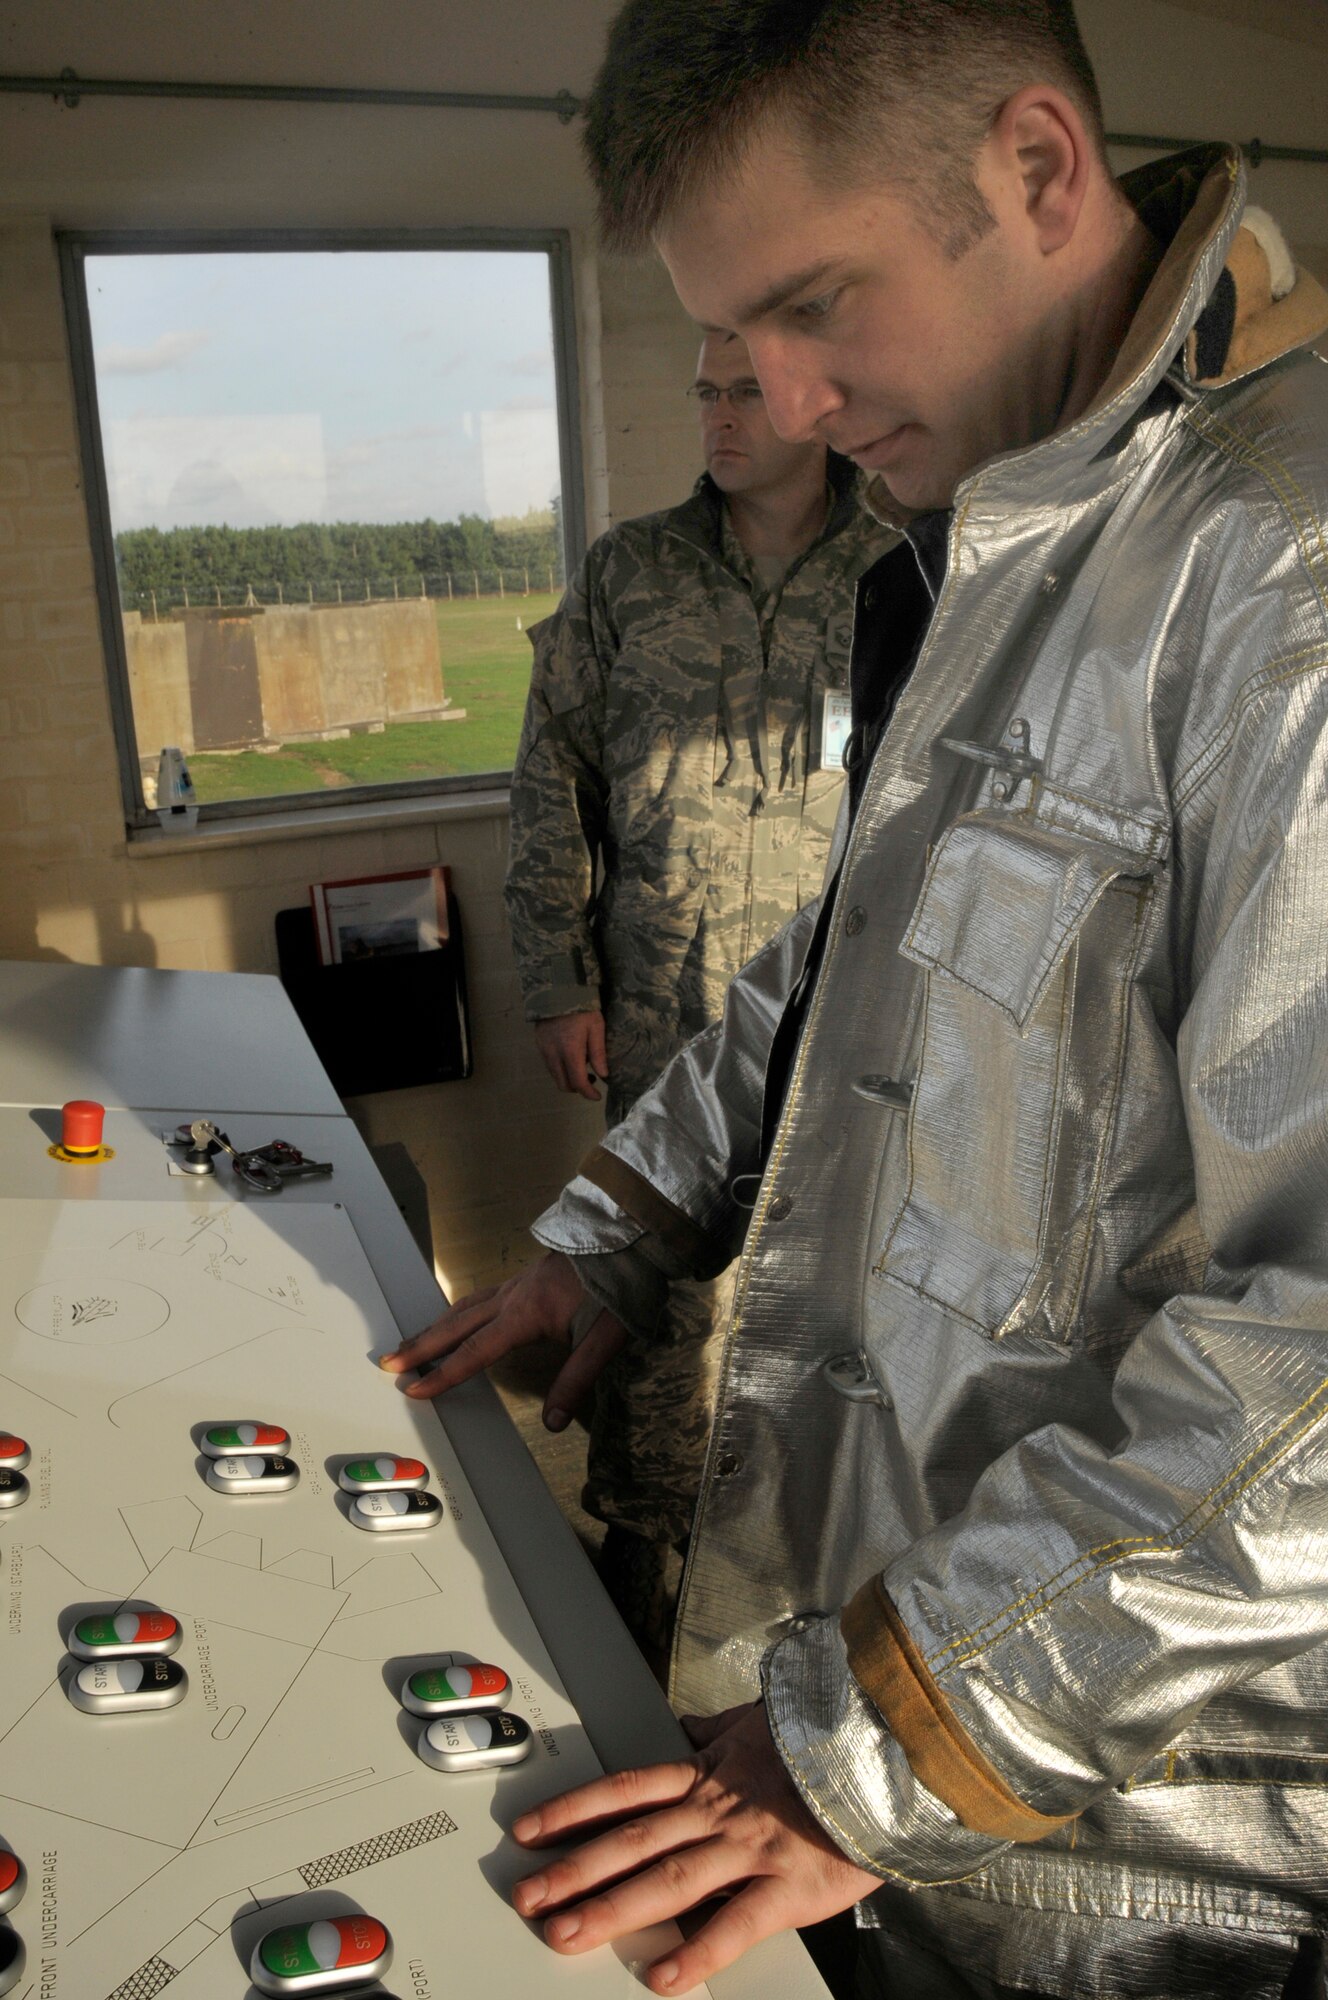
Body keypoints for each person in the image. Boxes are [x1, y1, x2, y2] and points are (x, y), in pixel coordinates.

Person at [384, 1, 1328, 1993]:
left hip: (1132, 1876)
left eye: (817, 307)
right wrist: (621, 1221)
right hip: (892, 1774)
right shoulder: (1000, 528)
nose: (794, 406)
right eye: (740, 339)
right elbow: (858, 960)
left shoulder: (1285, 581)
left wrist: (889, 1742)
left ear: (1036, 168)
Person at [504, 332, 892, 1652]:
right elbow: (549, 781)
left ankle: (807, 1595)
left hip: (840, 1015)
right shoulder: (631, 572)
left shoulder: (900, 567)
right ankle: (637, 1576)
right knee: (652, 1298)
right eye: (707, 394)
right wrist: (558, 980)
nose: (719, 419)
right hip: (665, 1007)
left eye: (746, 395)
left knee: (825, 1294)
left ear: (815, 406)